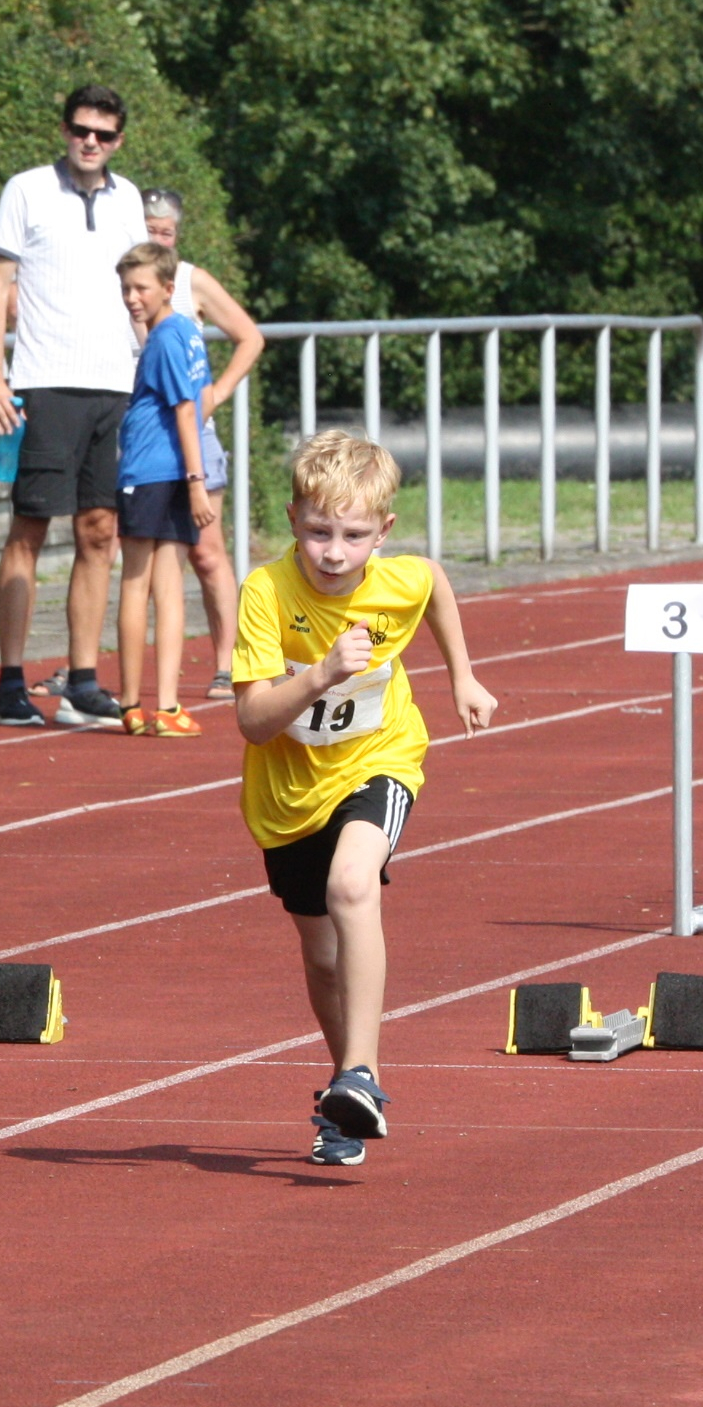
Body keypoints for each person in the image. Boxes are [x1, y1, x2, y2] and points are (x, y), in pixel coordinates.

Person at [232, 430, 496, 1166]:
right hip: (288, 796)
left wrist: (462, 676)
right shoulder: (265, 592)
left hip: (380, 761)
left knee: (353, 885)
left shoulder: (395, 580)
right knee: (322, 958)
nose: (333, 553)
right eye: (319, 532)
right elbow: (253, 723)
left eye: (353, 536)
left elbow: (432, 582)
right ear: (292, 520)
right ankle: (346, 1094)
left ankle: (361, 1075)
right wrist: (319, 674)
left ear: (382, 532)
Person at [0, 84, 149, 729]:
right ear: (65, 130)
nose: (90, 142)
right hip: (45, 381)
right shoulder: (26, 190)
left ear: (118, 140)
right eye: (81, 130)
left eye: (103, 134)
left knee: (100, 532)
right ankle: (9, 682)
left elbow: (142, 291)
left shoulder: (128, 198)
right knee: (29, 526)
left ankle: (81, 680)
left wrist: (152, 371)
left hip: (115, 384)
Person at [142, 190, 264, 693]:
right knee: (129, 557)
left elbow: (250, 336)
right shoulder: (122, 284)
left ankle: (230, 662)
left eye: (165, 232)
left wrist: (217, 392)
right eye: (149, 230)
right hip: (141, 442)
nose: (157, 239)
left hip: (196, 434)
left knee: (207, 553)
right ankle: (92, 670)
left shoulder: (192, 281)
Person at [111, 240, 216, 737]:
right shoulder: (189, 333)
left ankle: (141, 703)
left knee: (146, 584)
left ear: (168, 288)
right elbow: (201, 397)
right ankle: (154, 705)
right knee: (160, 585)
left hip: (154, 471)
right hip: (166, 470)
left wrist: (196, 482)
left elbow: (186, 408)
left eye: (141, 289)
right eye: (126, 289)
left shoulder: (166, 339)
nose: (132, 298)